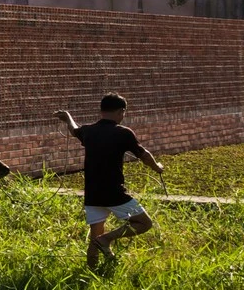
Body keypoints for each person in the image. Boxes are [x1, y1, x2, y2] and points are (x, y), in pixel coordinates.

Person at [54, 93, 164, 270]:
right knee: (144, 223)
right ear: (121, 111)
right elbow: (143, 154)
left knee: (94, 240)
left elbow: (74, 130)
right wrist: (157, 167)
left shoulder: (89, 130)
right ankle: (107, 239)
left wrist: (67, 118)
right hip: (114, 193)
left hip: (92, 194)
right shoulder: (123, 133)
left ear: (101, 110)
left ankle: (92, 273)